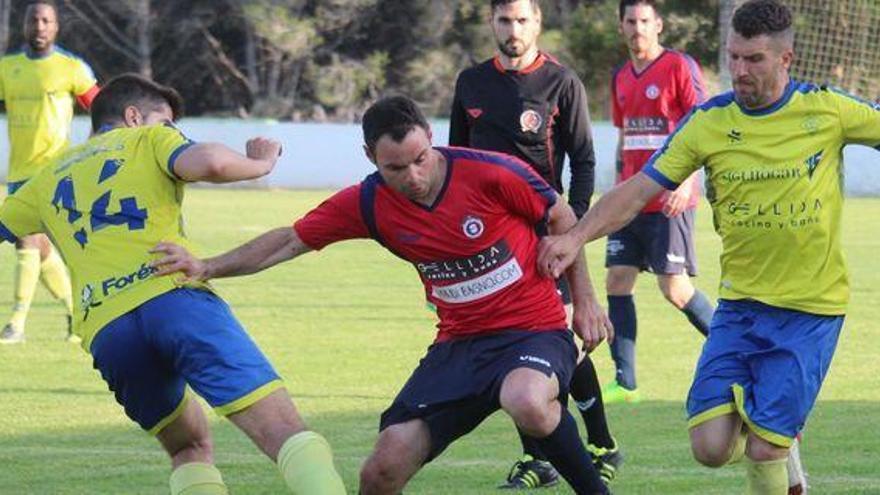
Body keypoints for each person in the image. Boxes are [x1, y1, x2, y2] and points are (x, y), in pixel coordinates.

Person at [152, 95, 614, 495]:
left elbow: (561, 218)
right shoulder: (368, 202)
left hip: (532, 330)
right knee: (382, 469)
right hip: (458, 345)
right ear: (370, 156)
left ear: (429, 139)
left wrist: (586, 302)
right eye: (396, 167)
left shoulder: (489, 172)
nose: (414, 175)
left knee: (528, 399)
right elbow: (290, 240)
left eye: (420, 159)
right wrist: (208, 266)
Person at [537, 0, 880, 493]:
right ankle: (776, 431)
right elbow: (636, 193)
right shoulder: (709, 122)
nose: (739, 70)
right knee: (710, 447)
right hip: (740, 308)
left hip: (810, 309)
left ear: (785, 59)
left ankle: (777, 441)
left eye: (754, 59)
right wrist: (573, 237)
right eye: (734, 57)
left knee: (764, 449)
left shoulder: (826, 110)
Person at [0, 73, 345, 495]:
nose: (174, 133)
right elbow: (211, 163)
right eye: (167, 123)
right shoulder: (149, 140)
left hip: (108, 332)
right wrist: (261, 163)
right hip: (173, 298)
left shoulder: (47, 177)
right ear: (132, 116)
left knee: (189, 447)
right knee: (285, 432)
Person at [449, 0, 621, 487]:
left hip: (547, 236)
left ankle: (601, 442)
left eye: (522, 20)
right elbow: (455, 158)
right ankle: (539, 457)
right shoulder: (470, 83)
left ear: (538, 24)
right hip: (487, 243)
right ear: (492, 24)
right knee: (512, 344)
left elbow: (584, 161)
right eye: (505, 20)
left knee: (559, 341)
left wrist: (576, 229)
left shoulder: (561, 83)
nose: (513, 29)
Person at [602, 0, 714, 404]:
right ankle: (625, 383)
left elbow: (702, 124)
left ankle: (739, 355)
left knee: (676, 289)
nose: (637, 29)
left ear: (659, 25)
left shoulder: (679, 67)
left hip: (669, 198)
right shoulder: (620, 77)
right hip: (629, 199)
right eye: (630, 22)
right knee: (617, 280)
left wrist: (686, 179)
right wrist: (616, 190)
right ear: (621, 27)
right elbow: (624, 137)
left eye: (644, 21)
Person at [0, 0, 100, 344]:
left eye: (46, 20)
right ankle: (75, 310)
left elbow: (100, 108)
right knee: (37, 247)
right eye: (33, 20)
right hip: (18, 173)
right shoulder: (7, 68)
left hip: (57, 172)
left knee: (28, 242)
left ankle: (16, 322)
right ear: (24, 26)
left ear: (56, 27)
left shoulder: (71, 68)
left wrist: (89, 150)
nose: (39, 26)